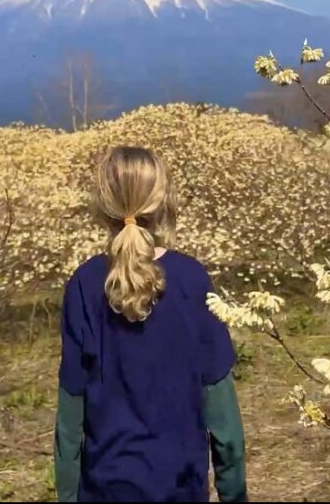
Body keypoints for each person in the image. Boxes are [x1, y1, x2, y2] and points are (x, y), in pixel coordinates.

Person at [54, 146, 247, 503]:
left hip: (105, 488)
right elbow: (223, 416)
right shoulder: (192, 280)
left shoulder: (84, 283)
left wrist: (67, 494)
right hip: (181, 485)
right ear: (161, 201)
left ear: (102, 204)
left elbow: (70, 415)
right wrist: (233, 492)